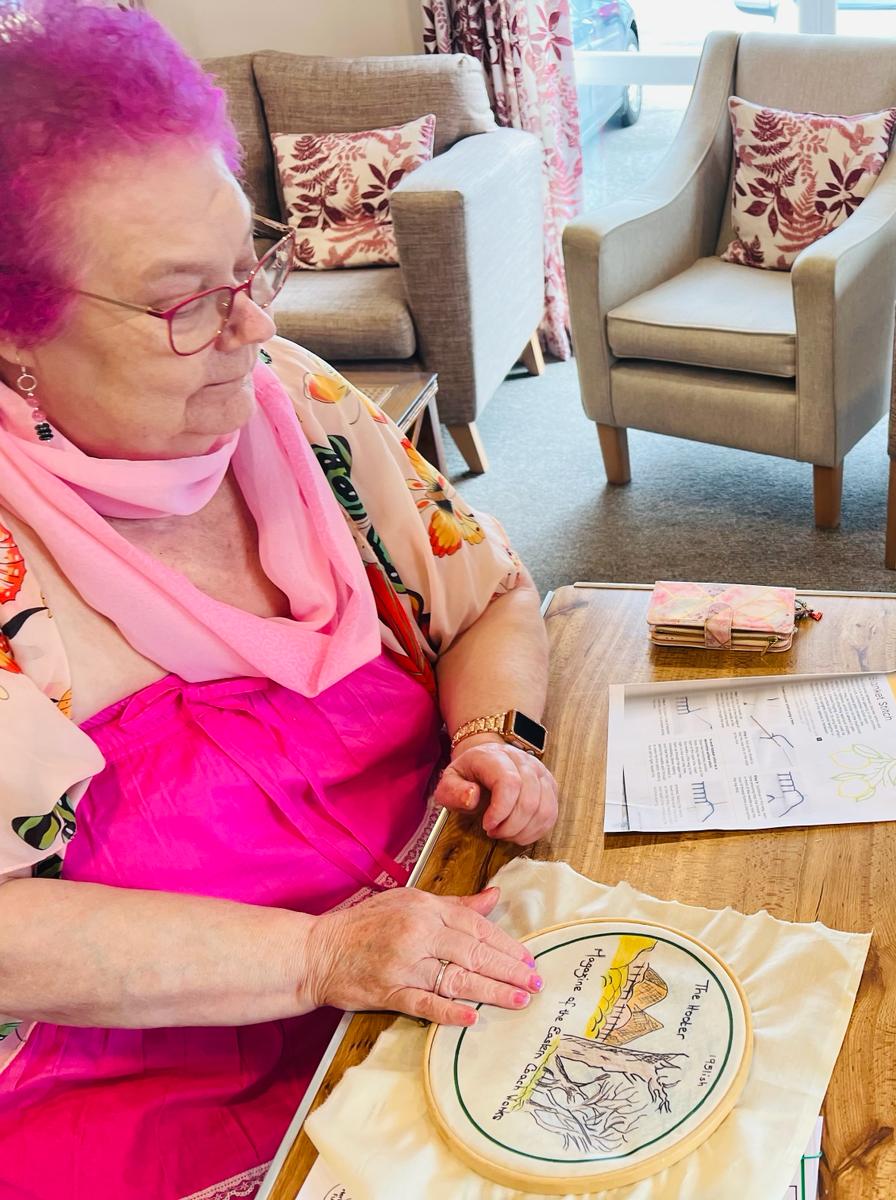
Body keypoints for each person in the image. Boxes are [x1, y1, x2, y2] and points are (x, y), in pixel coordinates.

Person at [0, 4, 559, 1196]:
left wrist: (493, 736)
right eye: (183, 303)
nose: (254, 328)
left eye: (251, 266)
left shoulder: (295, 406)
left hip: (438, 964)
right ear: (13, 334)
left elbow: (496, 596)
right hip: (155, 1081)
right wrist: (322, 958)